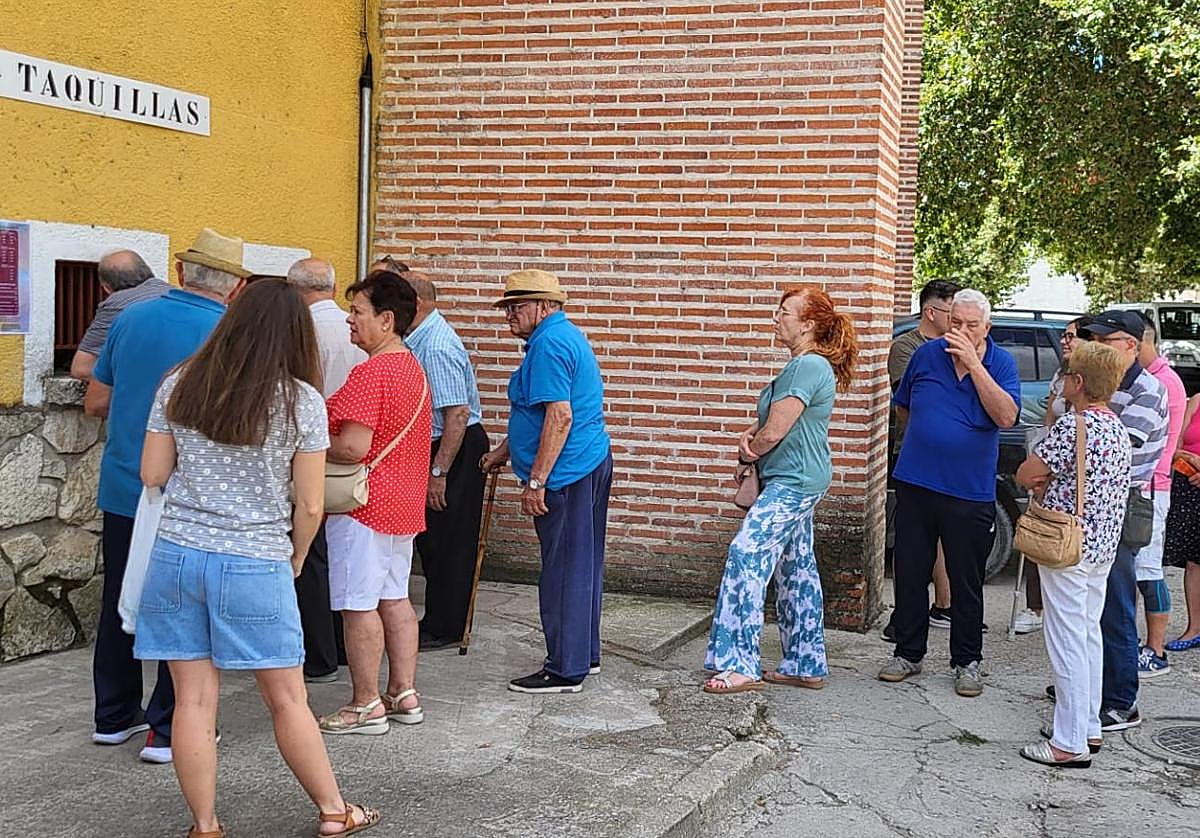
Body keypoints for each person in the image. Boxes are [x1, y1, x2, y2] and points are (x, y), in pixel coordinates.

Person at [135, 279, 379, 838]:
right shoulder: (302, 401)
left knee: (193, 701)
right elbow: (313, 503)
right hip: (254, 559)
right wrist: (295, 557)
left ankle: (205, 825)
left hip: (177, 555)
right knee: (288, 699)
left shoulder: (180, 383)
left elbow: (152, 474)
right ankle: (334, 811)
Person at [84, 228, 249, 764]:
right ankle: (166, 728)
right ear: (237, 285)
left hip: (125, 482)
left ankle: (112, 716)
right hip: (190, 494)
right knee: (183, 608)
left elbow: (97, 398)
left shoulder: (128, 316)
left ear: (180, 273)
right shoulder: (228, 332)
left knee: (119, 597)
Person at [702, 286, 858, 693]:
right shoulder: (802, 367)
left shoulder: (808, 367)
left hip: (793, 482)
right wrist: (751, 442)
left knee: (746, 553)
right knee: (796, 568)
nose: (776, 318)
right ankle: (805, 663)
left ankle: (739, 664)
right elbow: (772, 422)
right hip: (797, 478)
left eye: (784, 312)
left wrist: (750, 452)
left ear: (807, 325)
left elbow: (776, 430)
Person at [878, 289, 1020, 697]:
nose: (959, 331)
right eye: (955, 322)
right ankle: (908, 652)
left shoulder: (1001, 363)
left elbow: (1006, 415)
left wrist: (974, 364)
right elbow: (904, 407)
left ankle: (967, 661)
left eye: (970, 326)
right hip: (918, 482)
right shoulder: (926, 355)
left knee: (966, 578)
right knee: (910, 570)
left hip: (968, 491)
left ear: (986, 328)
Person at [480, 269, 613, 694]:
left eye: (517, 307)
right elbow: (537, 414)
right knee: (582, 562)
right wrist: (505, 451)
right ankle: (583, 654)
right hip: (586, 461)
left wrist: (536, 481)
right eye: (507, 308)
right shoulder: (558, 336)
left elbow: (560, 416)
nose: (509, 316)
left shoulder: (550, 344)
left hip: (567, 472)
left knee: (563, 569)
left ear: (545, 306)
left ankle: (564, 669)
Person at [318, 270, 432, 735]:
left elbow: (352, 447)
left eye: (357, 312)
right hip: (402, 503)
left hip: (363, 505)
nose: (349, 320)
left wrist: (309, 446)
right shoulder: (412, 368)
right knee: (396, 599)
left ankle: (365, 703)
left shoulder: (371, 373)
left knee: (358, 604)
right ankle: (404, 692)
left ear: (386, 320)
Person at [1014, 342, 1131, 767]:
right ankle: (1088, 727)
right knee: (1087, 635)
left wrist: (1042, 480)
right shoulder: (1117, 427)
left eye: (1065, 375)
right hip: (1101, 546)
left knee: (1065, 642)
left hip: (1067, 546)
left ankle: (1068, 742)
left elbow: (1027, 472)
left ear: (1077, 382)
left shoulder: (1073, 426)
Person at [1076, 310, 1168, 731]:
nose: (1094, 348)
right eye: (1089, 340)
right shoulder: (1091, 383)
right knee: (1085, 604)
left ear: (1131, 345)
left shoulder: (1148, 390)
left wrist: (1086, 408)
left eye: (1104, 341)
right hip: (1090, 501)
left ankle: (1120, 700)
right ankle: (1088, 684)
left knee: (1114, 604)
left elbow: (1108, 447)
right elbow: (1060, 422)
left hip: (1124, 503)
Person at [285, 258, 366, 684]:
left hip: (316, 446)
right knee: (342, 553)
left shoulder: (303, 331)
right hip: (356, 448)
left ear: (294, 289)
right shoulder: (356, 327)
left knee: (310, 552)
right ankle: (342, 643)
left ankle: (318, 654)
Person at [401, 271, 489, 650]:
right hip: (443, 444)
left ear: (416, 304)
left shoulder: (435, 345)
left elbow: (456, 413)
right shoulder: (419, 338)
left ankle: (445, 626)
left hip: (454, 446)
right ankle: (437, 619)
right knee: (435, 540)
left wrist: (439, 471)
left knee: (450, 541)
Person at [883, 279, 960, 642]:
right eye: (951, 311)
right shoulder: (906, 348)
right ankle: (904, 616)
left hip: (951, 457)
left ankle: (945, 605)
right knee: (913, 540)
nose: (957, 319)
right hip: (914, 455)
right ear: (931, 312)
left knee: (949, 534)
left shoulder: (958, 347)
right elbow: (908, 404)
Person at [1013, 315, 1093, 636]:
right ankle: (1036, 608)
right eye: (1063, 335)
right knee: (1039, 537)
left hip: (1077, 476)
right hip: (1052, 462)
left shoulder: (1092, 380)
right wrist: (1043, 459)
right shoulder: (1060, 376)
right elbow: (1049, 422)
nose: (1064, 340)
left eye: (1071, 336)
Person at [1133, 317, 1186, 677]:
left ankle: (1157, 649)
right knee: (1139, 570)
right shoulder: (1153, 378)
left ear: (1138, 343)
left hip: (1154, 488)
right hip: (1148, 487)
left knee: (1149, 570)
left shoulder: (1162, 382)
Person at [70, 249, 169, 381]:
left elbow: (82, 369)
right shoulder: (174, 293)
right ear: (149, 272)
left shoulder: (117, 303)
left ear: (106, 288)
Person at [1164, 394, 1200, 652]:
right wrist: (1192, 463)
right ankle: (1194, 628)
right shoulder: (1197, 400)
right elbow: (1173, 445)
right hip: (1189, 486)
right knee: (1194, 561)